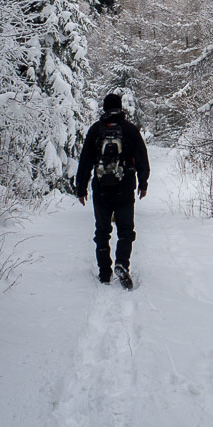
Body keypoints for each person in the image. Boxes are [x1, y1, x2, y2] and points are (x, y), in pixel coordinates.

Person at [75, 92, 150, 289]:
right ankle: (122, 264)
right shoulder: (130, 130)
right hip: (125, 188)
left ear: (104, 108)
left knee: (102, 231)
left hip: (100, 189)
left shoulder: (96, 130)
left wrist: (81, 188)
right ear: (121, 107)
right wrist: (143, 183)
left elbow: (85, 161)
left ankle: (104, 272)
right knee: (125, 231)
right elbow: (142, 158)